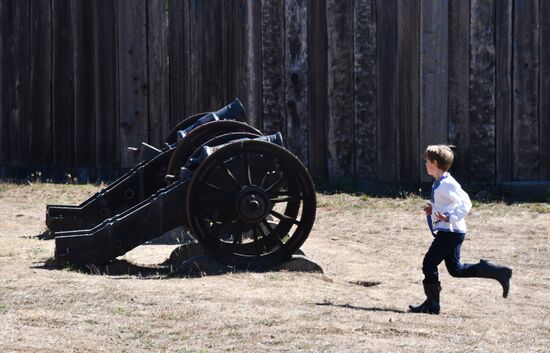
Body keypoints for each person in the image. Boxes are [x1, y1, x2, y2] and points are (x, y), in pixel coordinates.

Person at [409, 145, 513, 315]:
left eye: (427, 161)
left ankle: (432, 305)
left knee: (428, 263)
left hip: (450, 232)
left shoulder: (446, 184)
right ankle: (498, 271)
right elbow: (447, 205)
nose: (425, 164)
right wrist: (434, 210)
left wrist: (448, 217)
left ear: (435, 163)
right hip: (452, 232)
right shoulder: (442, 181)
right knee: (456, 270)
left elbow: (465, 203)